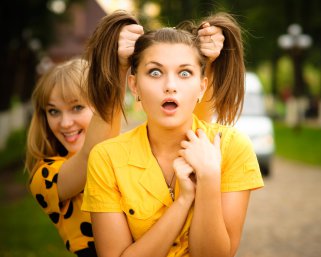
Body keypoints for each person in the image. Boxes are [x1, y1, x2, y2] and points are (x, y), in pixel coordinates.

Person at [25, 10, 225, 256]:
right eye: (53, 111)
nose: (65, 122)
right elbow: (91, 155)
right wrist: (117, 66)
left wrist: (207, 63)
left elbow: (191, 126)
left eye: (77, 107)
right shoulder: (45, 177)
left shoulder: (126, 150)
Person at [82, 12, 264, 257]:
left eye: (185, 73)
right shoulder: (106, 158)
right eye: (155, 72)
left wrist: (209, 178)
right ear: (134, 86)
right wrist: (183, 201)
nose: (170, 85)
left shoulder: (231, 147)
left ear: (202, 87)